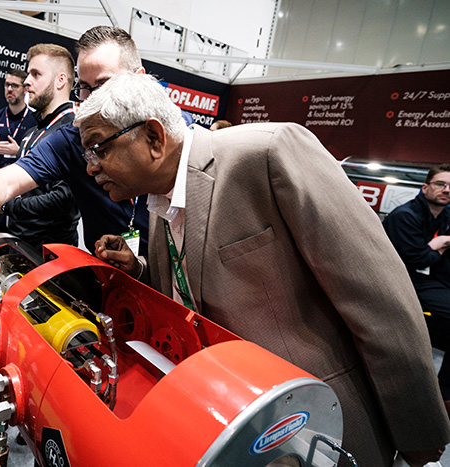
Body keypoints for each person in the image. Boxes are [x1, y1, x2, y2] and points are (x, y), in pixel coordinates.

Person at [78, 72, 450, 466]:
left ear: (153, 137)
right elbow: (193, 291)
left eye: (98, 148)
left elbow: (377, 293)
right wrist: (138, 269)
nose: (91, 168)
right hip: (236, 423)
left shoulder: (268, 154)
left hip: (322, 424)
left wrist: (417, 425)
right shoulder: (160, 200)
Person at [0, 26, 166, 256]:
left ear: (139, 78)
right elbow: (9, 180)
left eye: (104, 84)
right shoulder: (71, 140)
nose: (93, 99)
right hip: (106, 271)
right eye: (84, 88)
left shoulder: (176, 134)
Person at [383, 164, 450, 409]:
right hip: (401, 281)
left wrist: (435, 247)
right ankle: (445, 395)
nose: (446, 190)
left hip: (428, 279)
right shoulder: (405, 216)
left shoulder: (445, 216)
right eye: (441, 184)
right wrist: (438, 245)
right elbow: (416, 259)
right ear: (425, 187)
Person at [1, 43, 79, 251]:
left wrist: (7, 206)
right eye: (28, 74)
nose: (26, 82)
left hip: (50, 255)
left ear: (60, 80)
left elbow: (64, 200)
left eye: (36, 74)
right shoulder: (33, 132)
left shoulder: (72, 131)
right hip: (21, 245)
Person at [0, 68, 36, 170]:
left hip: (22, 178)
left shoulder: (35, 120)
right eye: (7, 85)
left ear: (25, 89)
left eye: (15, 86)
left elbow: (39, 156)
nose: (9, 89)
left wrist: (19, 151)